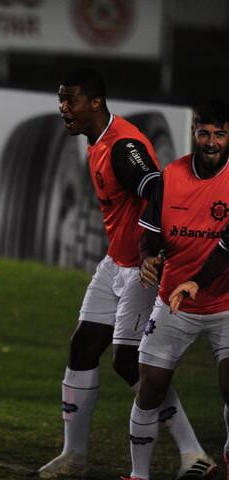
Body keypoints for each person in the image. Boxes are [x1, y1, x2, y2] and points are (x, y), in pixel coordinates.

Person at [36, 68, 211, 478]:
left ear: (95, 102)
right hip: (115, 261)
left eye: (71, 100)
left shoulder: (121, 145)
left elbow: (156, 186)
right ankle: (74, 456)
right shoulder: (97, 140)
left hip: (141, 269)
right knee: (83, 347)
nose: (64, 108)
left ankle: (193, 453)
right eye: (61, 99)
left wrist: (156, 250)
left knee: (128, 362)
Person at [122, 100, 229, 480]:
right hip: (174, 302)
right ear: (194, 132)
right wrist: (149, 258)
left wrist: (196, 281)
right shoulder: (171, 176)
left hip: (224, 305)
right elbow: (149, 233)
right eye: (204, 132)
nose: (212, 141)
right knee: (149, 387)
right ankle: (138, 476)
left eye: (220, 133)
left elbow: (227, 247)